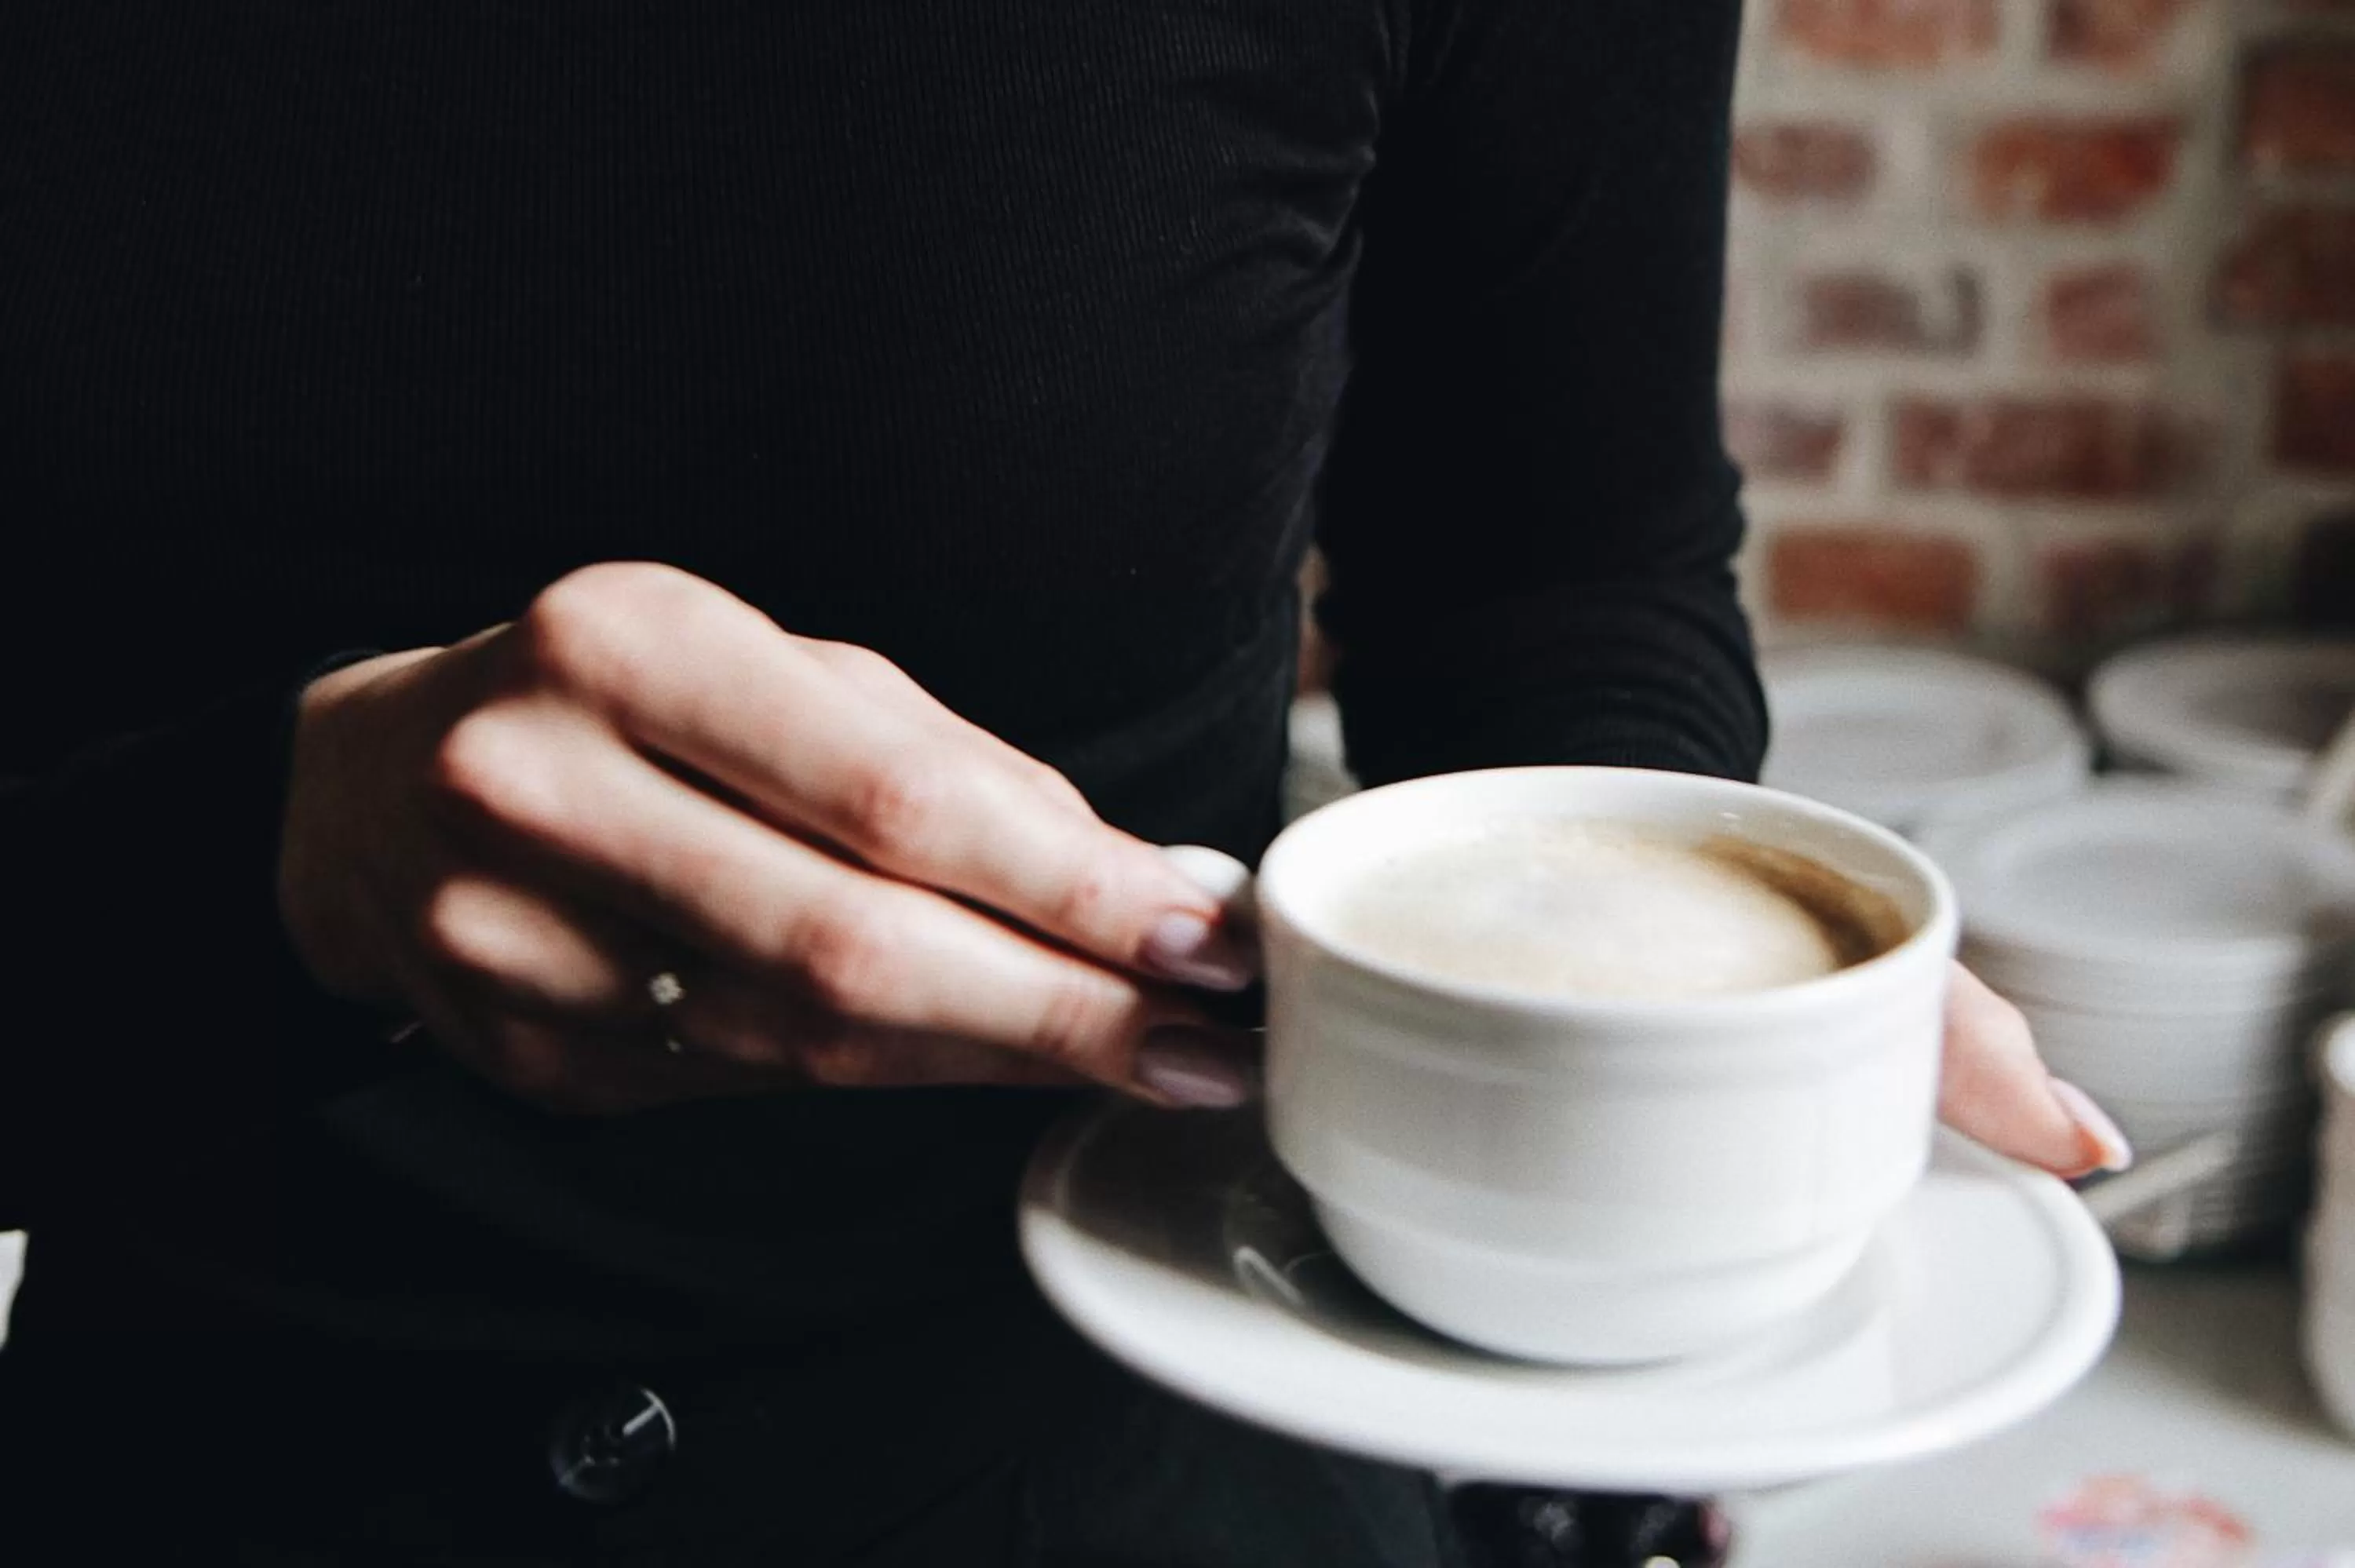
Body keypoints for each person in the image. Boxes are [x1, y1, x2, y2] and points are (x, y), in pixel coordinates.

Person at [0, 1, 2129, 1561]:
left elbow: (1557, 566)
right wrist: (269, 869)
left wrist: (1640, 992)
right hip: (196, 1471)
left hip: (1136, 1459)